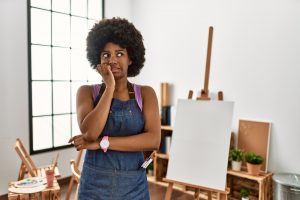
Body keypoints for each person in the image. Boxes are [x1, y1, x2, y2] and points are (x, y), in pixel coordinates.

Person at [68, 17, 161, 199]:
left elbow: (153, 140)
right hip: (93, 187)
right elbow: (90, 133)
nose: (112, 60)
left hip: (134, 187)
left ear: (131, 58)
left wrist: (101, 143)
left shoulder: (146, 94)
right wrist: (109, 87)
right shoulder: (86, 92)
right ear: (98, 59)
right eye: (106, 55)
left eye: (119, 54)